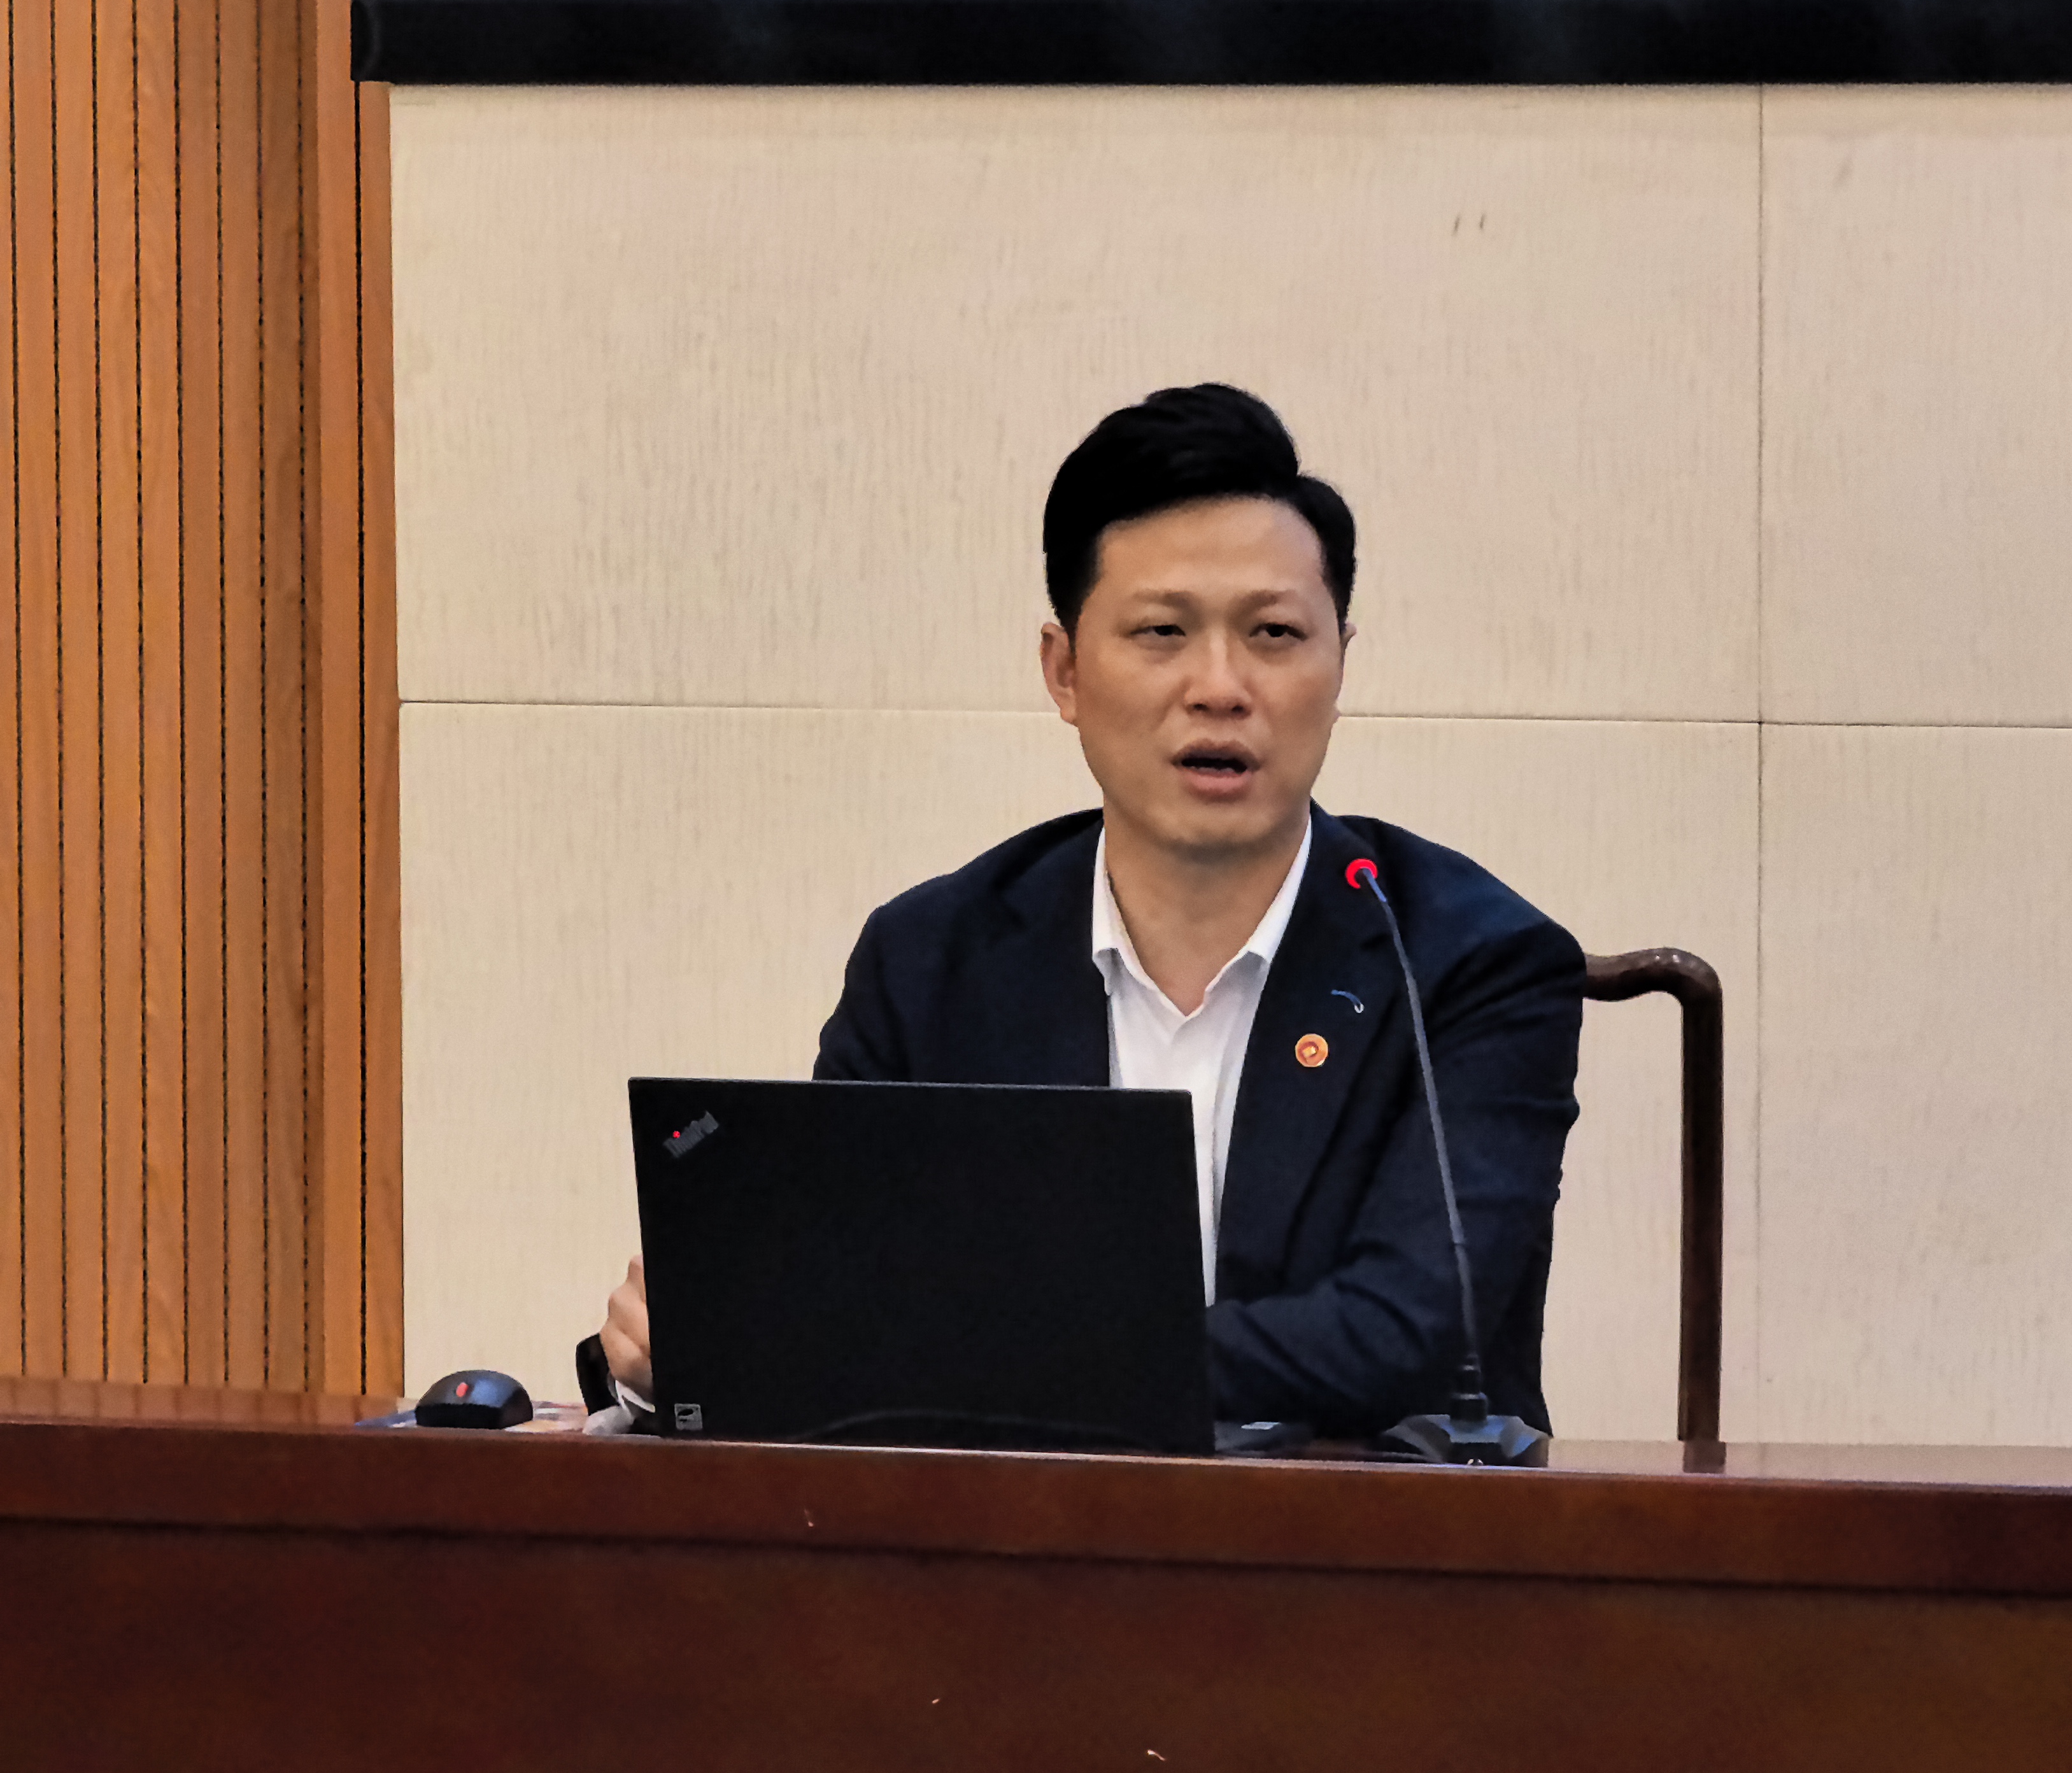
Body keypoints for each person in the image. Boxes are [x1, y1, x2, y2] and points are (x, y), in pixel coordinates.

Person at [583, 384, 1582, 1436]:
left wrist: (960, 1352)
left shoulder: (1471, 963)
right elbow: (837, 1295)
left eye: (1276, 633)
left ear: (1340, 666)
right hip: (1012, 1535)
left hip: (1363, 1529)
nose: (1221, 686)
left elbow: (1405, 1334)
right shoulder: (934, 961)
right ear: (1064, 673)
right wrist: (683, 1344)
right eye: (1162, 632)